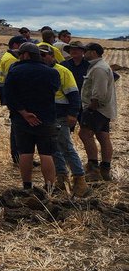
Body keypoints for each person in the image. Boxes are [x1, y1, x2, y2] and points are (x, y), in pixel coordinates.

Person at [4, 42, 60, 192]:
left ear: (26, 54)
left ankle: (27, 186)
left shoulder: (15, 71)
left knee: (25, 153)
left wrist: (24, 113)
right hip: (46, 118)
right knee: (46, 154)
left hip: (21, 119)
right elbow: (53, 90)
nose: (19, 57)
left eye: (20, 54)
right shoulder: (52, 72)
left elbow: (8, 96)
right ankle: (49, 188)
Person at [42, 42, 87, 196]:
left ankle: (80, 180)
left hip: (61, 116)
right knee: (53, 149)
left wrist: (73, 114)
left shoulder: (63, 71)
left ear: (52, 56)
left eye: (44, 55)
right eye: (39, 55)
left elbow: (74, 95)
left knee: (66, 147)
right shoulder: (41, 71)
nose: (42, 58)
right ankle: (61, 178)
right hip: (48, 116)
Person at [78, 42, 116, 182]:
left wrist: (91, 108)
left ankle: (93, 169)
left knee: (85, 134)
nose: (84, 53)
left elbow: (99, 92)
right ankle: (105, 169)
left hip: (97, 109)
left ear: (93, 52)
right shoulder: (99, 66)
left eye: (85, 51)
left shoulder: (99, 68)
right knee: (103, 136)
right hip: (104, 110)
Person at [0, 35, 32, 164]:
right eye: (23, 45)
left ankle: (22, 155)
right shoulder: (11, 60)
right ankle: (18, 156)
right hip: (14, 97)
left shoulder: (10, 58)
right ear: (15, 45)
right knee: (17, 127)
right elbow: (14, 81)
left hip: (10, 95)